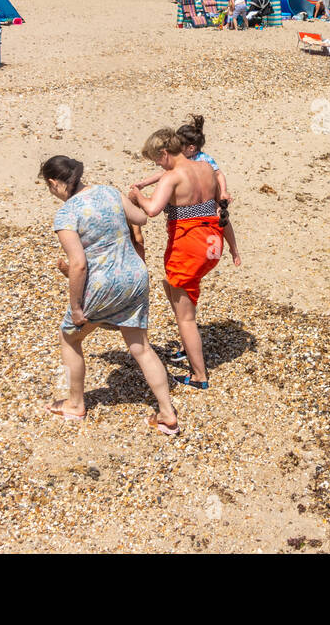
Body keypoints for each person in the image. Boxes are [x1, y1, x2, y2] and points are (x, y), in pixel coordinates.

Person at [42, 155, 179, 433]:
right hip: (135, 276)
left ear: (54, 183)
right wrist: (134, 198)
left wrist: (77, 307)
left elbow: (79, 264)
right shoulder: (108, 191)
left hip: (104, 284)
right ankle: (167, 412)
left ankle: (75, 404)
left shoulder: (66, 214)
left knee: (69, 337)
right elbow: (141, 217)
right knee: (141, 346)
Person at [129, 128, 240, 390]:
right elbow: (220, 210)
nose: (158, 165)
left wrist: (137, 197)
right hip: (213, 242)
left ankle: (199, 375)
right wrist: (234, 248)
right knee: (172, 287)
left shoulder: (172, 177)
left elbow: (153, 210)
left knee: (185, 317)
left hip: (189, 246)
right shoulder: (206, 168)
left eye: (157, 160)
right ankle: (186, 346)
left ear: (165, 153)